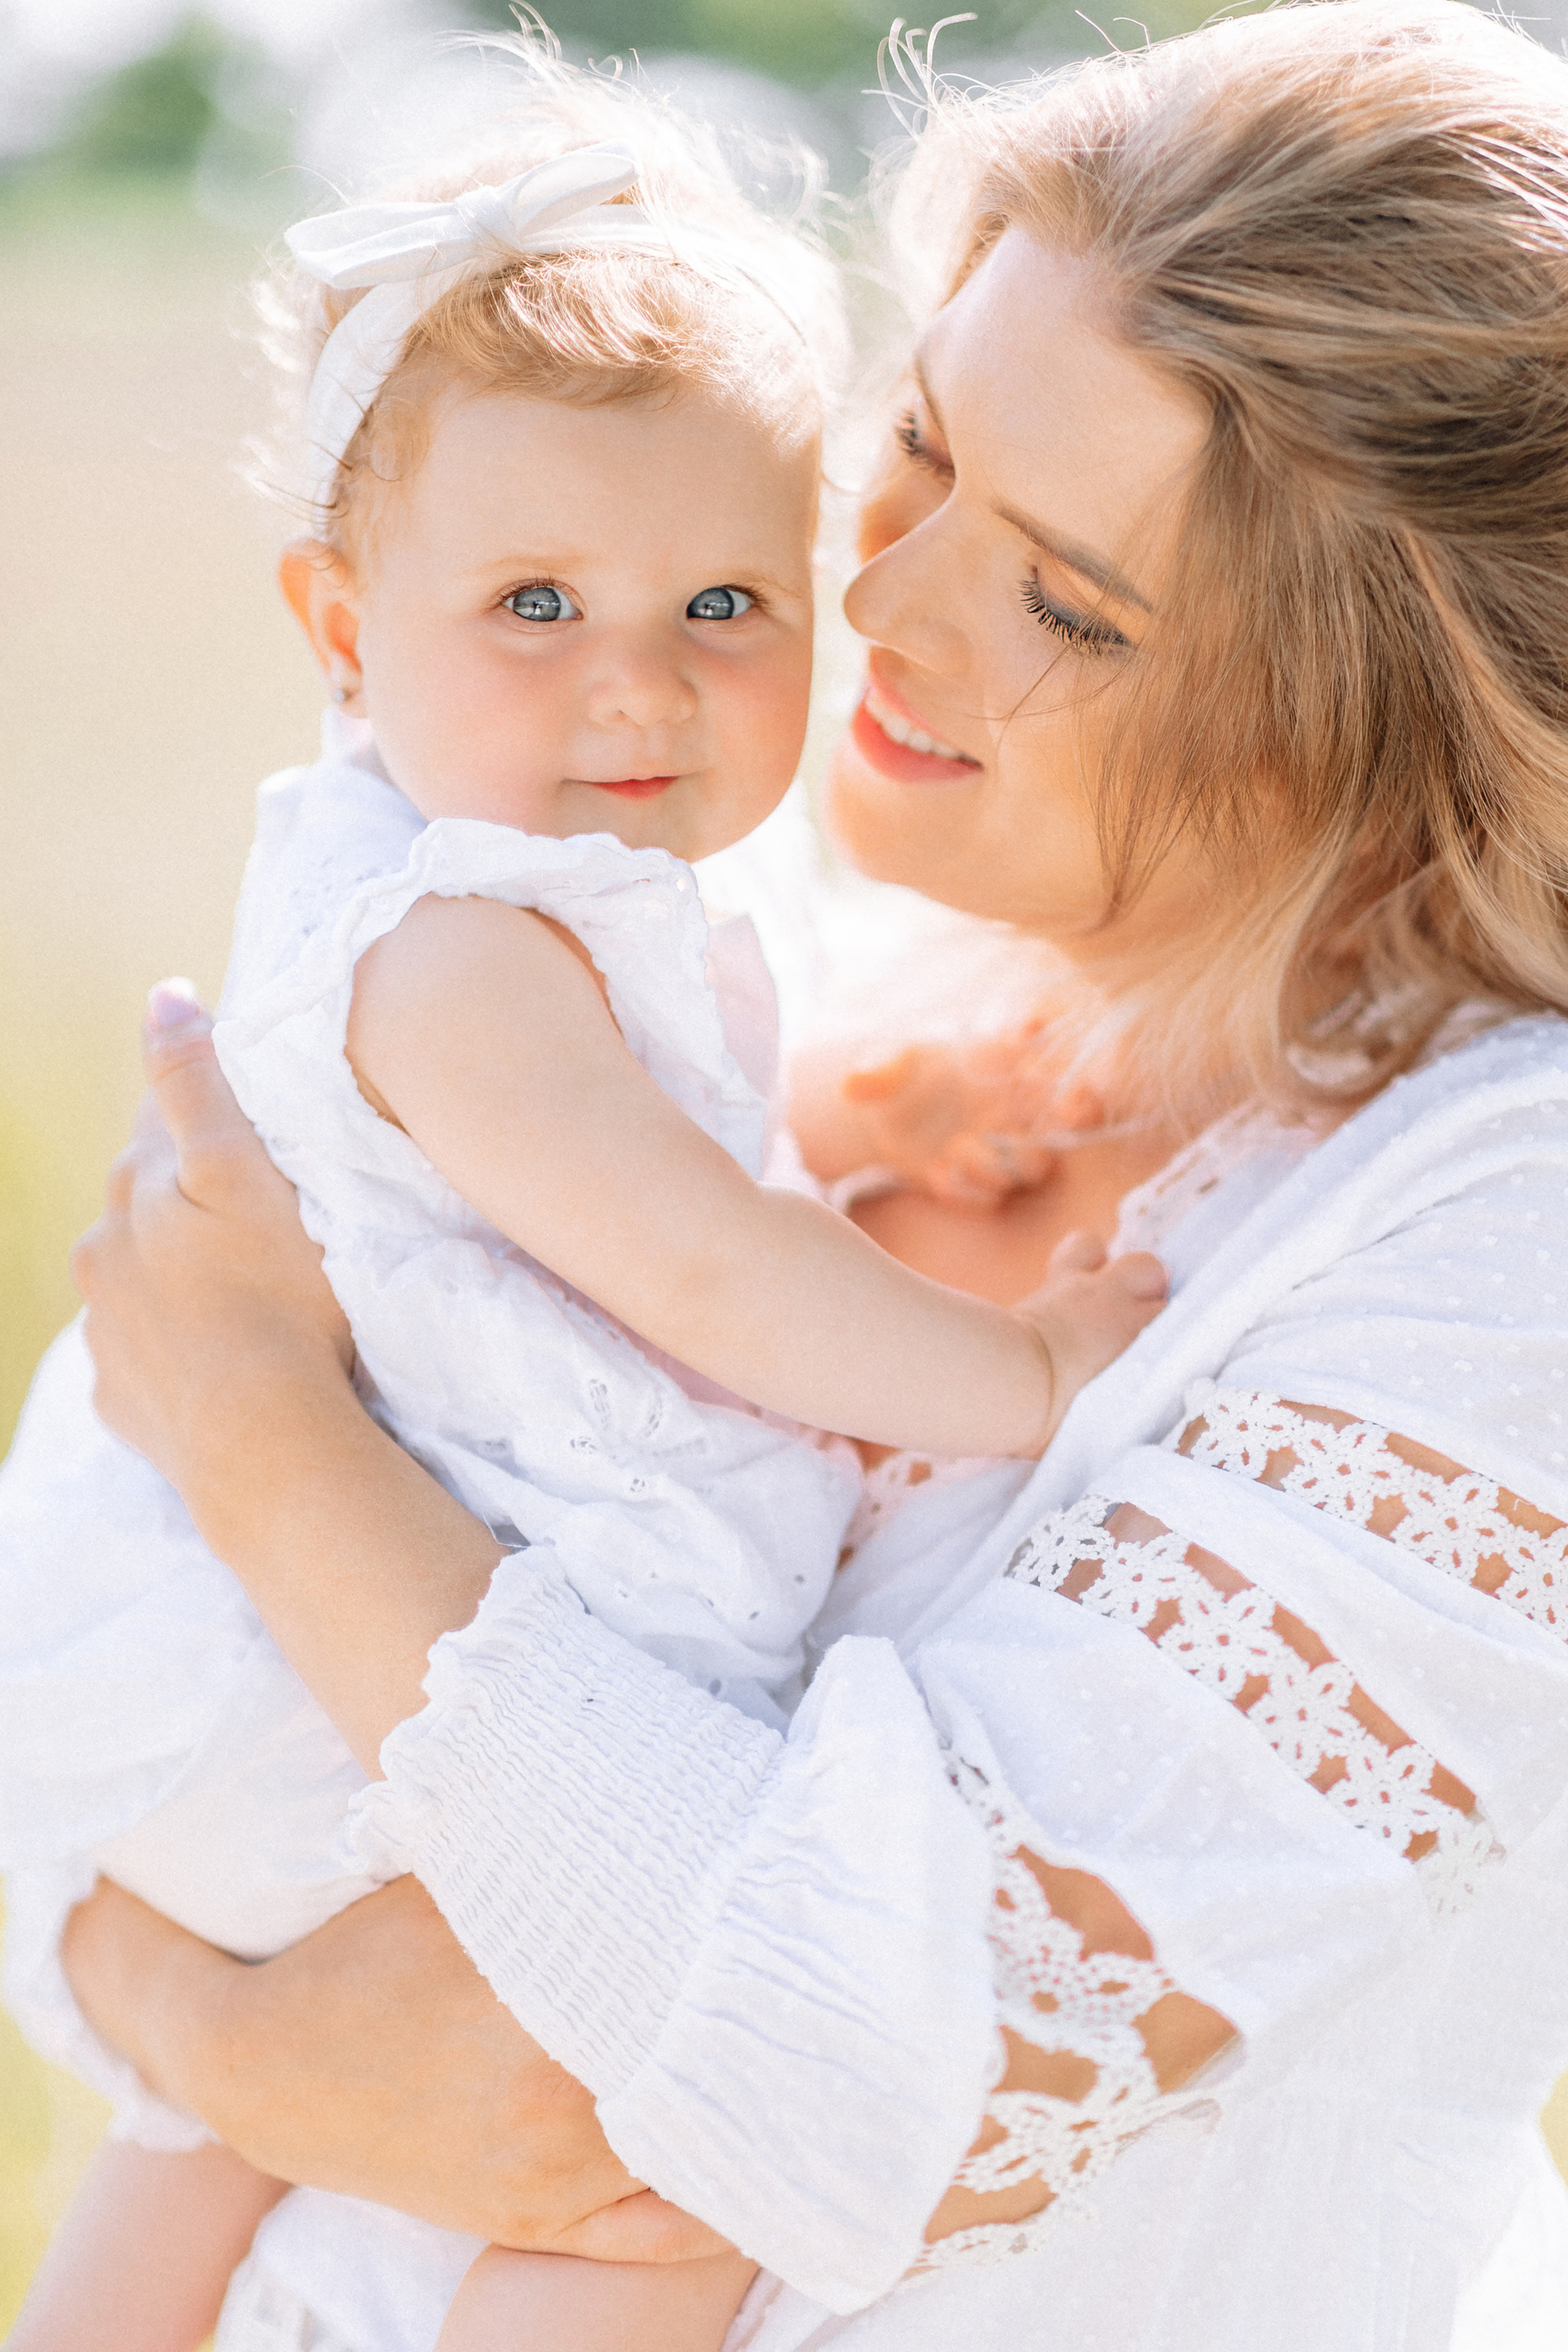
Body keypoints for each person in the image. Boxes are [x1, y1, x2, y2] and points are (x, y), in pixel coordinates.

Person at [16, 0, 1568, 2344]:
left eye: (1066, 601)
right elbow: (114, 1717)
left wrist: (260, 1434)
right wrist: (207, 2029)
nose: (885, 601)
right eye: (918, 440)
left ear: (1386, 740)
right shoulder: (750, 958)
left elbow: (844, 2081)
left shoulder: (1494, 1244)